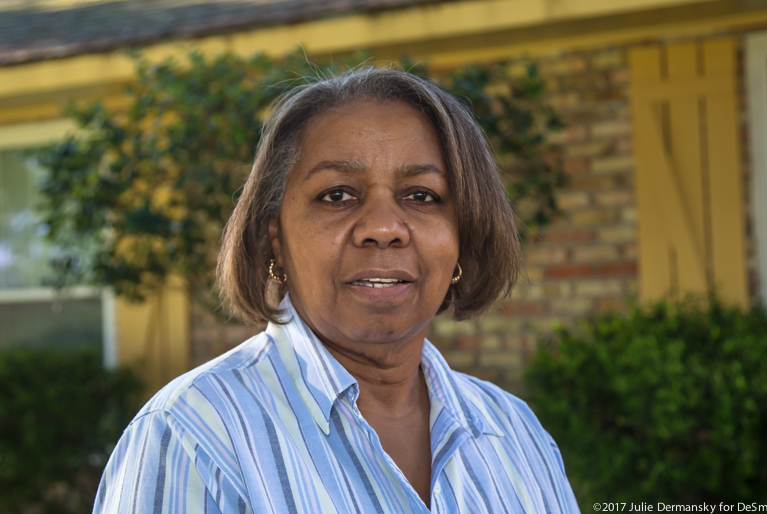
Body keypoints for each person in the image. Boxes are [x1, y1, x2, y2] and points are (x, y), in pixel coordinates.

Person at [93, 67, 580, 514]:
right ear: (275, 240)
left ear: (463, 238)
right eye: (337, 195)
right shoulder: (193, 436)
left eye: (421, 196)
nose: (385, 227)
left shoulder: (516, 433)